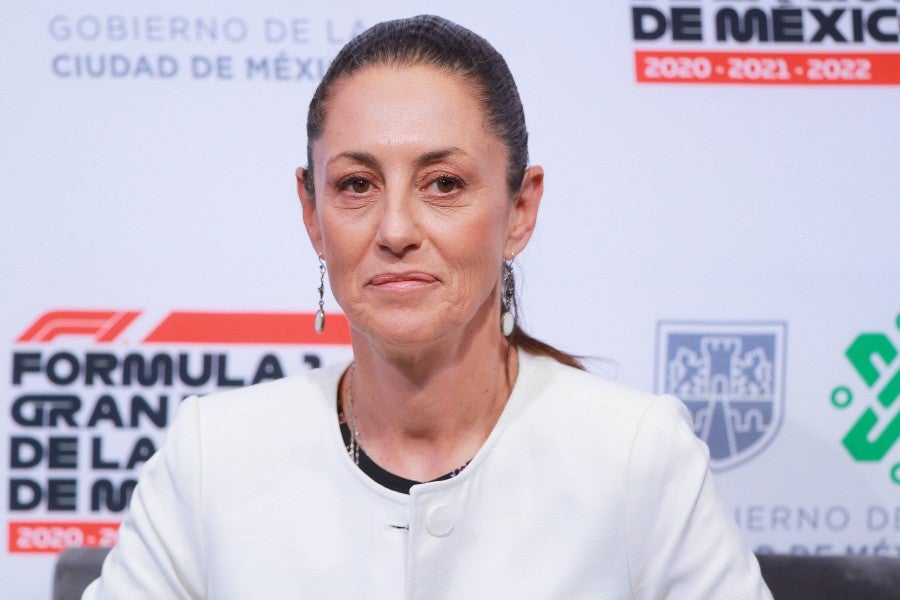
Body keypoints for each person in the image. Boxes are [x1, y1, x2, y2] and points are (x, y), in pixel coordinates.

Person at [84, 15, 772, 599]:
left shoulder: (636, 455)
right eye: (356, 185)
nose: (395, 230)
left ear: (520, 210)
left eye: (443, 184)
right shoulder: (214, 456)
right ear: (312, 214)